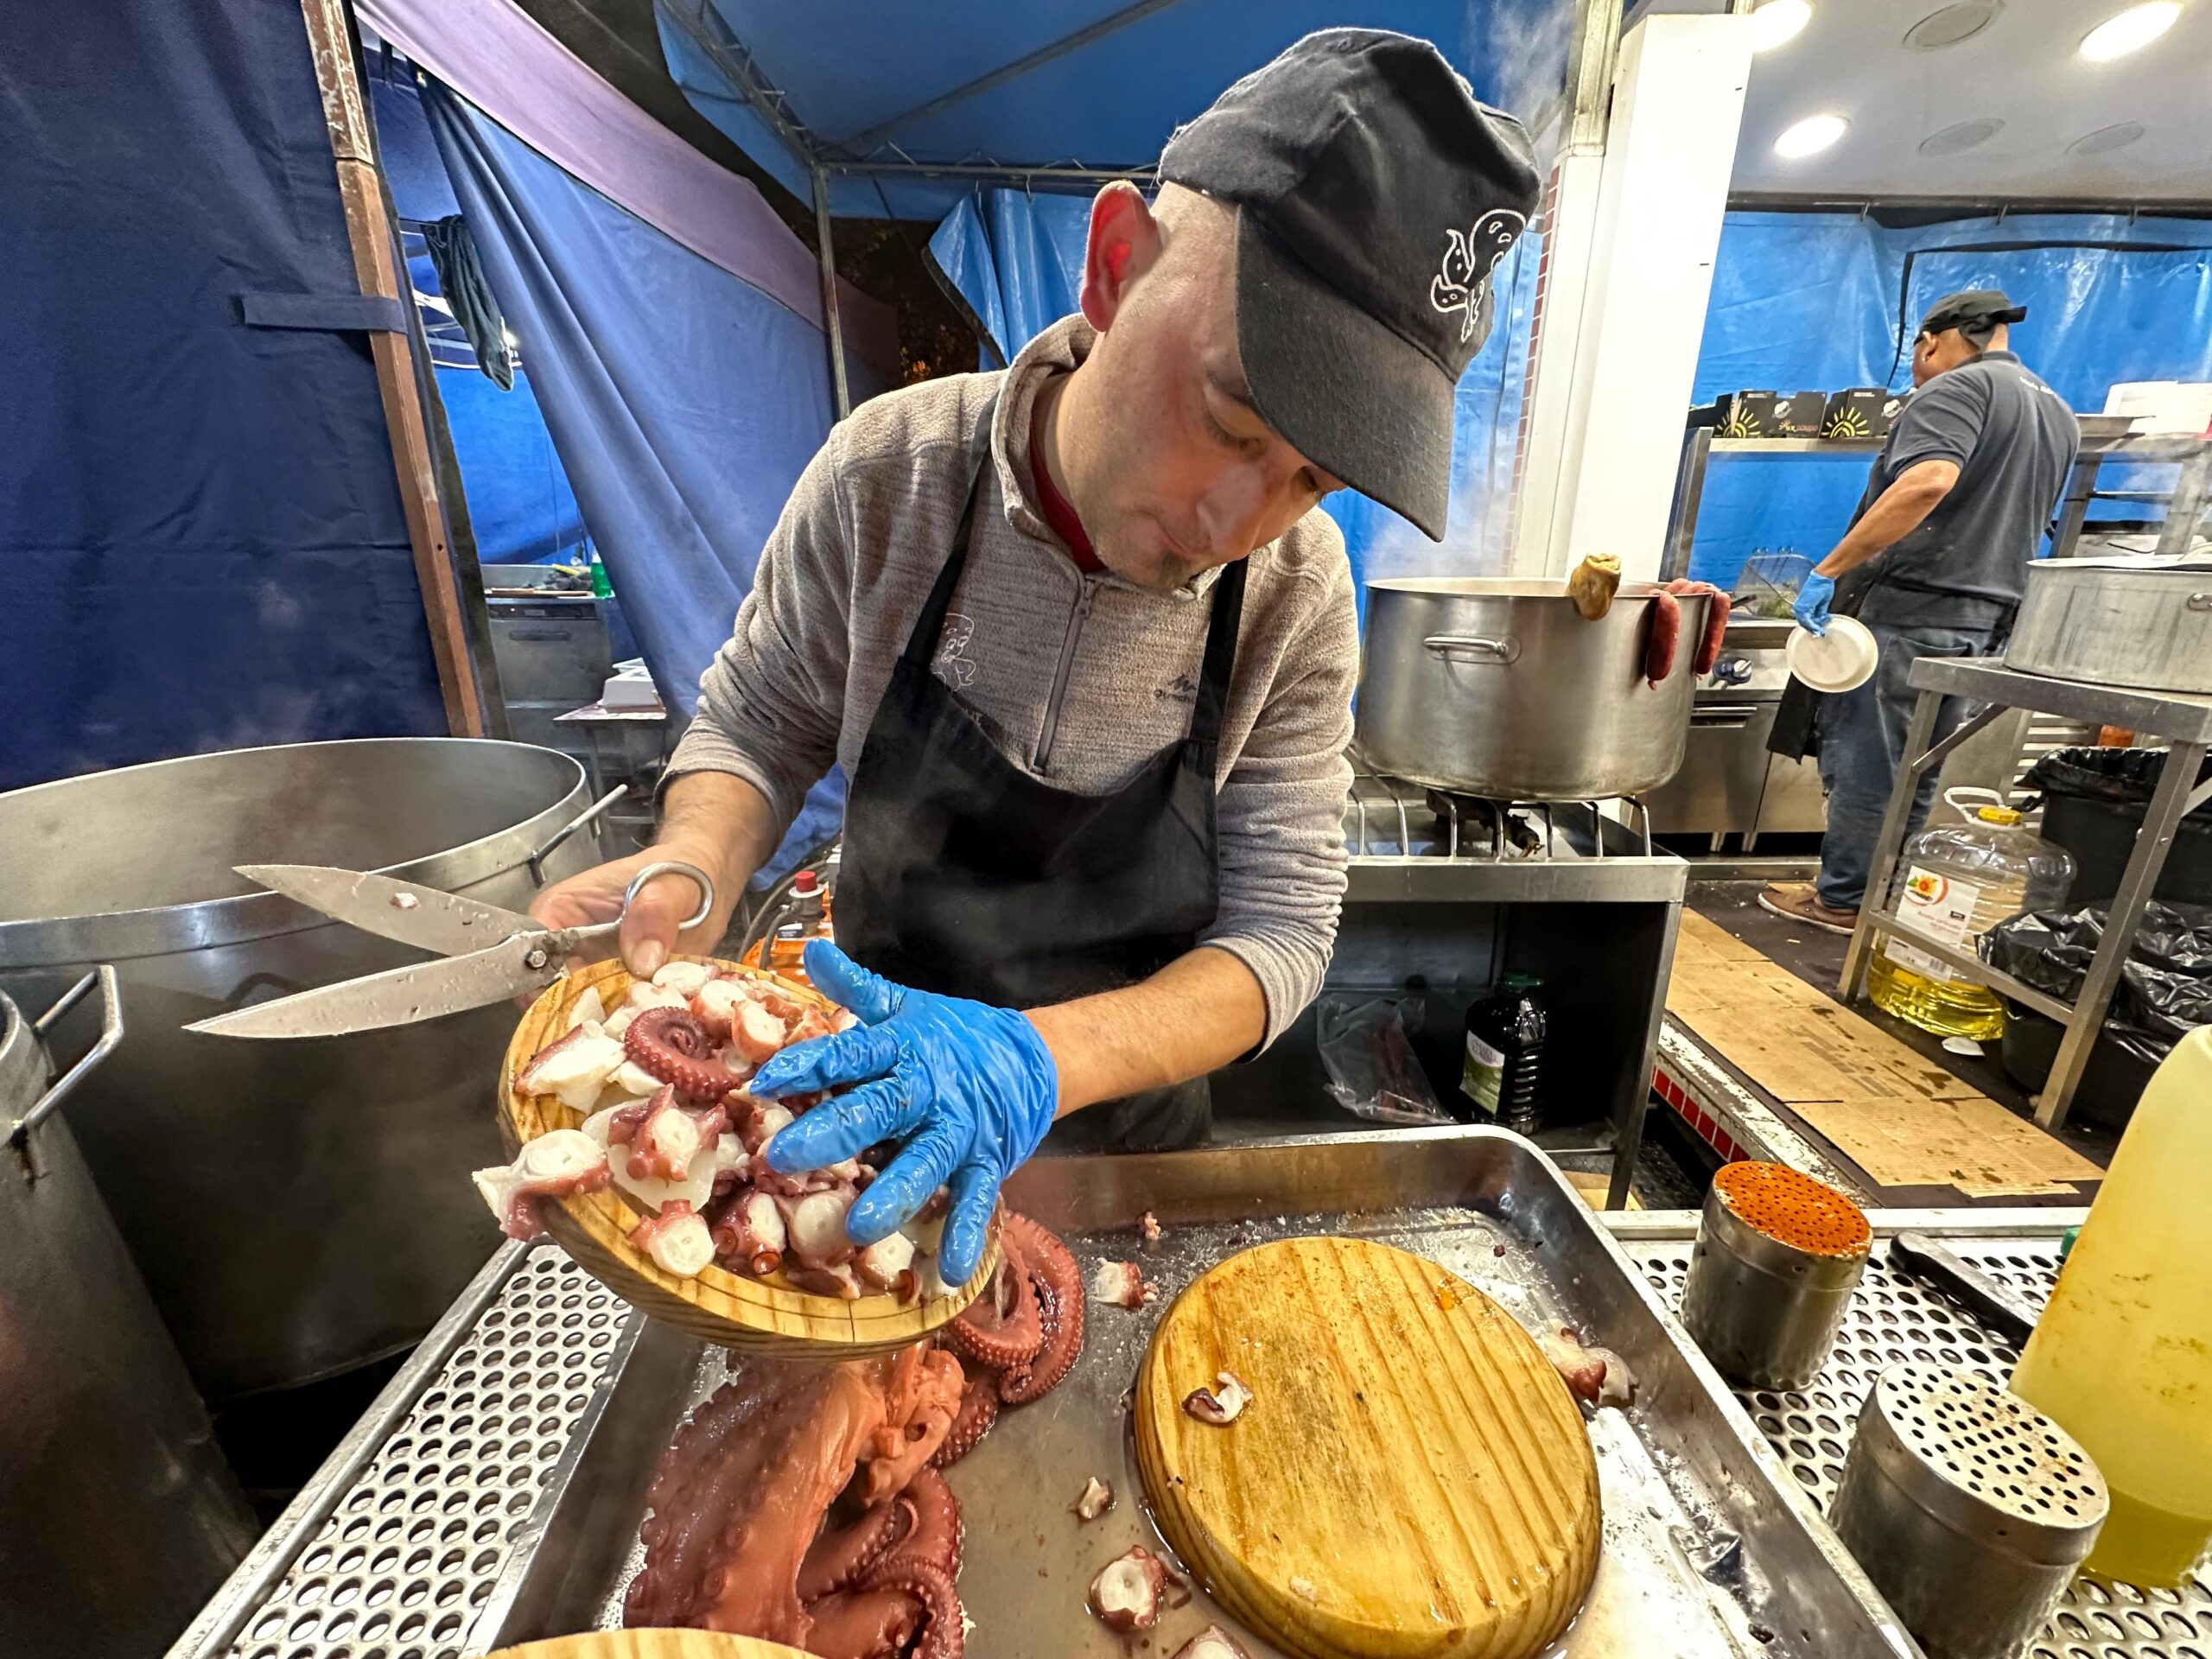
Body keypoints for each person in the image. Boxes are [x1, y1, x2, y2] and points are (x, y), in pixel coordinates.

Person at [530, 29, 1540, 1285]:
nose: (1238, 524)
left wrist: (1033, 1058)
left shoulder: (1296, 593)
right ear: (1117, 267)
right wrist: (691, 859)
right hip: (856, 1133)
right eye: (1229, 421)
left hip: (1129, 1168)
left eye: (1312, 480)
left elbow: (1283, 932)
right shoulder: (888, 475)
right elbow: (757, 725)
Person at [1762, 289, 2078, 935]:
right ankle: (1882, 893)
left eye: (1915, 353)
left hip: (1915, 604)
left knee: (1870, 762)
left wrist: (1829, 570)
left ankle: (1843, 899)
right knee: (1919, 764)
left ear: (1934, 340)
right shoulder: (2057, 412)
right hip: (1989, 615)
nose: (1916, 366)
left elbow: (1929, 480)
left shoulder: (1954, 392)